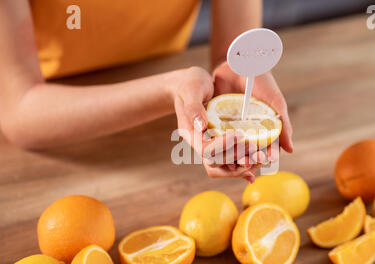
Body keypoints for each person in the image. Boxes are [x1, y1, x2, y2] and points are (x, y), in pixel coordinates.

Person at [0, 0, 293, 182]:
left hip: (155, 82)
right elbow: (19, 109)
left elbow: (233, 55)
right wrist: (170, 89)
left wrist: (238, 74)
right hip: (58, 107)